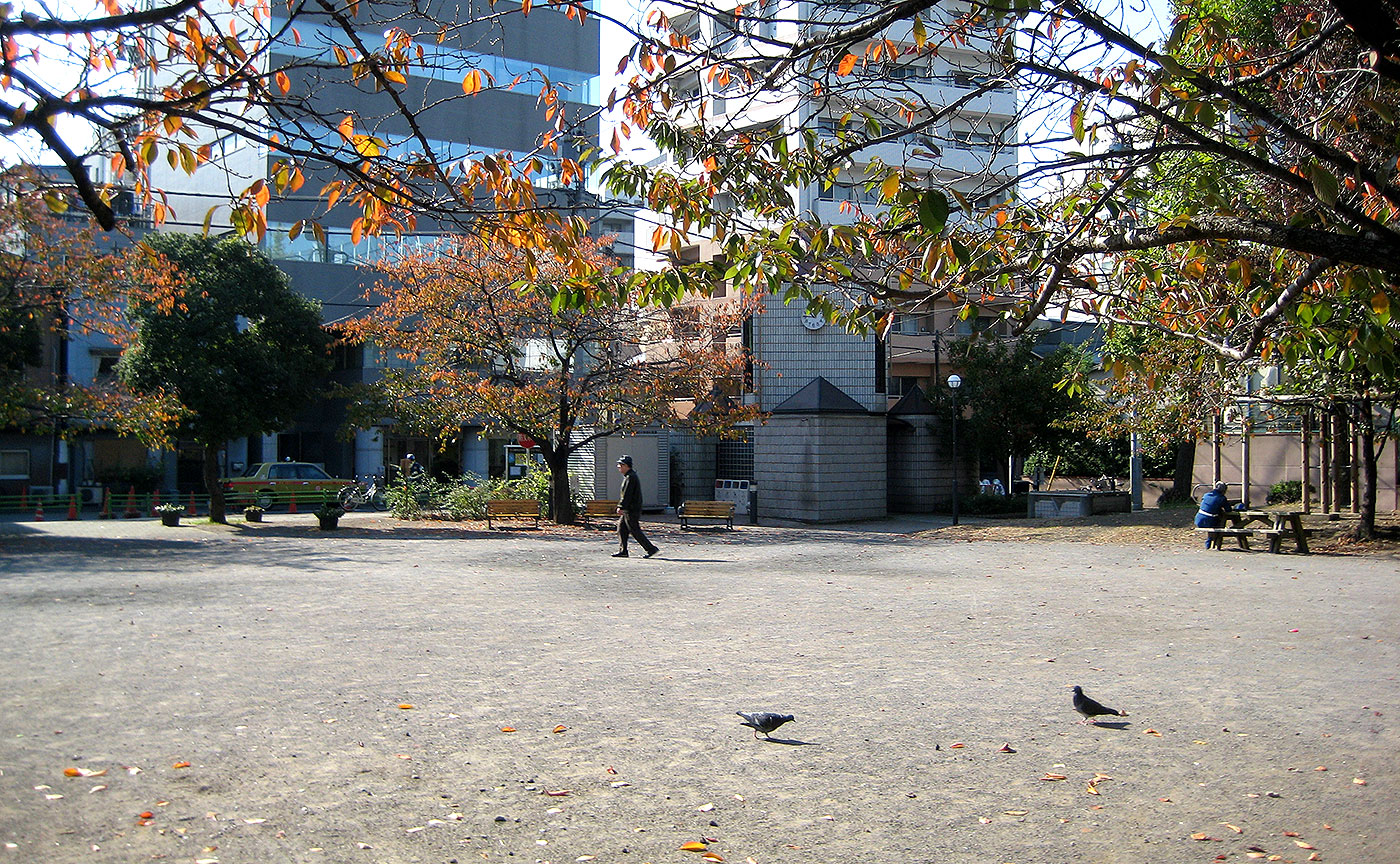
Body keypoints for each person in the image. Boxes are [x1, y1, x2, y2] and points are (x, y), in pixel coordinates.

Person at [613, 455, 659, 559]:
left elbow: (627, 494)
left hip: (631, 509)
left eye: (620, 465)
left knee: (634, 530)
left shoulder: (631, 477)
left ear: (626, 466)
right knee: (621, 528)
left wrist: (621, 506)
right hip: (630, 508)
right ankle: (623, 550)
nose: (618, 467)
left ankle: (651, 549)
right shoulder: (629, 476)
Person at [1195, 481, 1241, 548]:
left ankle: (1209, 544)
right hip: (1209, 521)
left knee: (1214, 522)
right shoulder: (1222, 498)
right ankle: (1214, 544)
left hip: (1198, 519)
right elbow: (1228, 510)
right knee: (1219, 523)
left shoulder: (1206, 495)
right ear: (1224, 490)